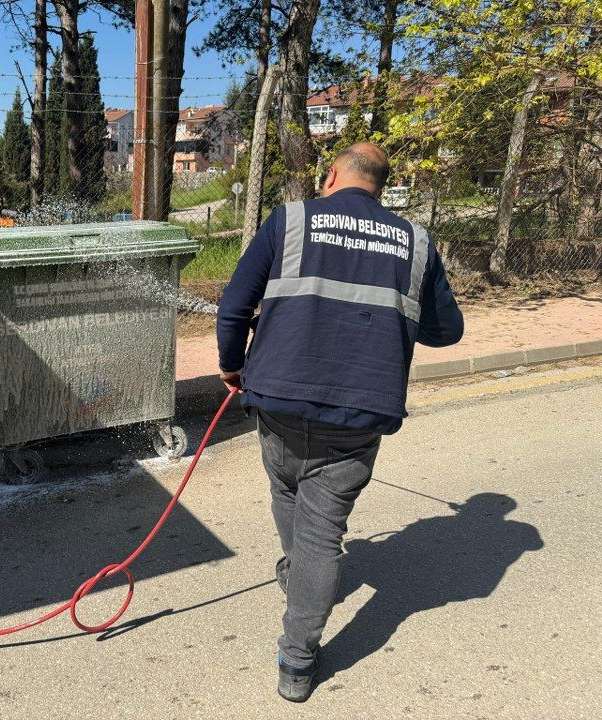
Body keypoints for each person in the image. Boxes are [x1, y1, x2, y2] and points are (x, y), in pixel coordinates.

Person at [216, 142, 464, 702]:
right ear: (381, 186)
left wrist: (232, 367)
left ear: (331, 176)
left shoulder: (291, 219)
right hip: (360, 410)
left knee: (286, 490)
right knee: (321, 531)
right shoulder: (416, 242)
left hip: (279, 397)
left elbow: (233, 307)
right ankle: (298, 660)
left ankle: (298, 584)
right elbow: (447, 330)